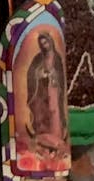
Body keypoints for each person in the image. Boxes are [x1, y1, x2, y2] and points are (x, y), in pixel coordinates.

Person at [22, 30, 69, 159]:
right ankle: (43, 140)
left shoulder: (57, 57)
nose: (45, 46)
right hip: (41, 91)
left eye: (46, 43)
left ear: (50, 42)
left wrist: (53, 74)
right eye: (42, 44)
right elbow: (31, 73)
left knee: (54, 112)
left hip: (53, 90)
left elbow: (60, 75)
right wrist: (39, 74)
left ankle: (56, 139)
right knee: (41, 112)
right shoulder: (38, 58)